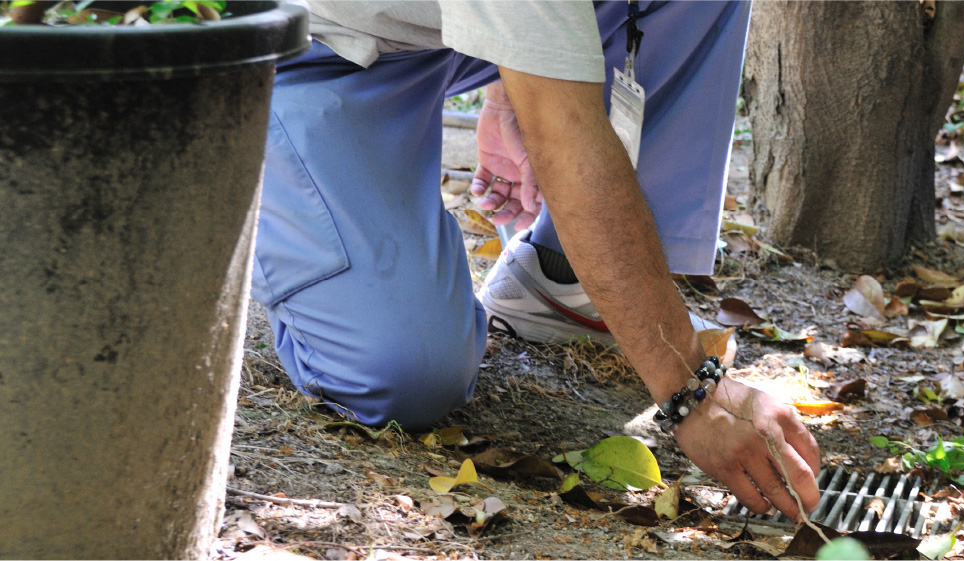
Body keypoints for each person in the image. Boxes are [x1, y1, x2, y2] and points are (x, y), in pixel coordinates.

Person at [256, 0, 821, 521]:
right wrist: (695, 392)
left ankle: (560, 279)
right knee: (403, 378)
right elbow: (566, 139)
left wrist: (516, 74)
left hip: (427, 29)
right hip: (293, 50)